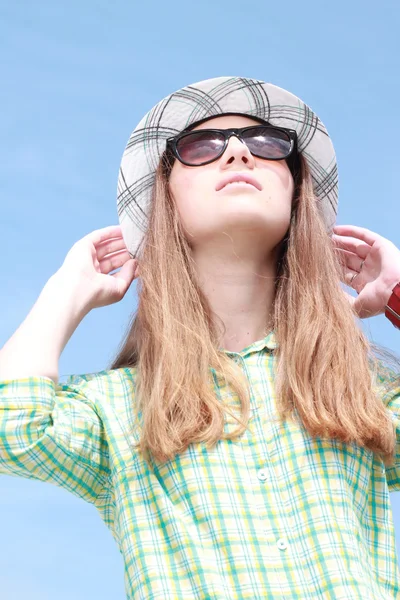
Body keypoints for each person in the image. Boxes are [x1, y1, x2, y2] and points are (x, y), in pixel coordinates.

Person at [1, 76, 400, 599]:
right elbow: (14, 427)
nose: (237, 151)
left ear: (297, 191)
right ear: (165, 199)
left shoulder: (355, 391)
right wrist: (65, 291)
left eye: (267, 143)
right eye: (201, 147)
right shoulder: (122, 407)